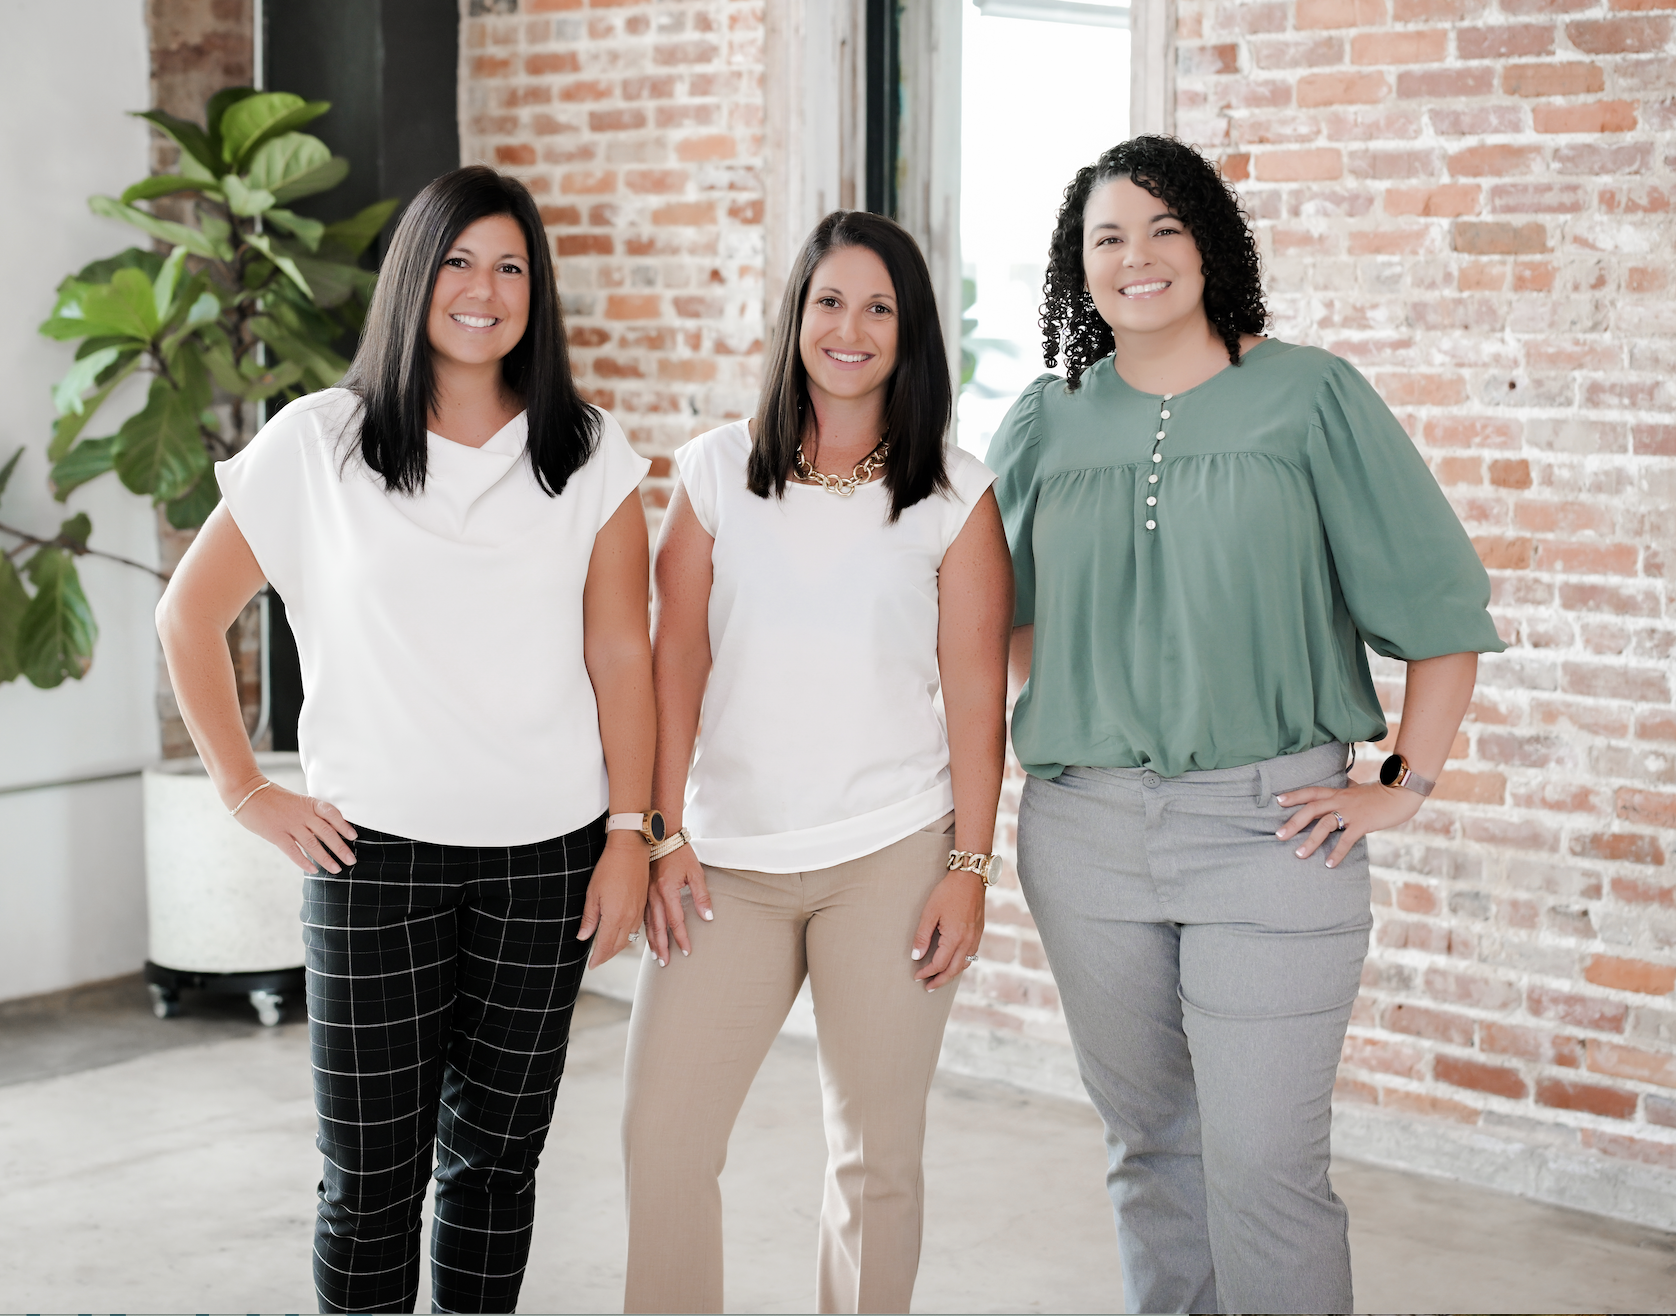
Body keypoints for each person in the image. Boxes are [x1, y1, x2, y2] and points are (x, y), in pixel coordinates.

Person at [988, 136, 1505, 1315]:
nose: (1137, 257)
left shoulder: (1310, 395)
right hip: (1087, 836)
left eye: (1165, 228)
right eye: (1107, 236)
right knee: (1149, 1146)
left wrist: (1400, 780)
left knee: (1265, 1165)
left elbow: (1439, 607)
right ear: (1078, 268)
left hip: (1273, 830)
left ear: (1211, 245)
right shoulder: (1044, 421)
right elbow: (997, 625)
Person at [154, 165, 656, 1315]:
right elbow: (187, 613)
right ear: (414, 277)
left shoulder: (586, 450)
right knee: (372, 1179)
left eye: (511, 266)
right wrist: (243, 789)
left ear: (538, 292)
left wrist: (630, 833)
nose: (484, 289)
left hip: (546, 861)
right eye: (460, 261)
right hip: (369, 859)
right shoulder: (319, 441)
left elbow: (622, 656)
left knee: (494, 1169)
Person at [619, 210, 1013, 1315]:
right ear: (794, 317)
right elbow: (672, 669)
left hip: (889, 854)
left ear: (911, 330)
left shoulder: (954, 494)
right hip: (722, 862)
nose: (850, 327)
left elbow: (978, 703)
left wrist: (969, 870)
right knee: (661, 1138)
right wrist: (662, 833)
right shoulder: (711, 475)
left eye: (878, 306)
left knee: (874, 1157)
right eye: (829, 301)